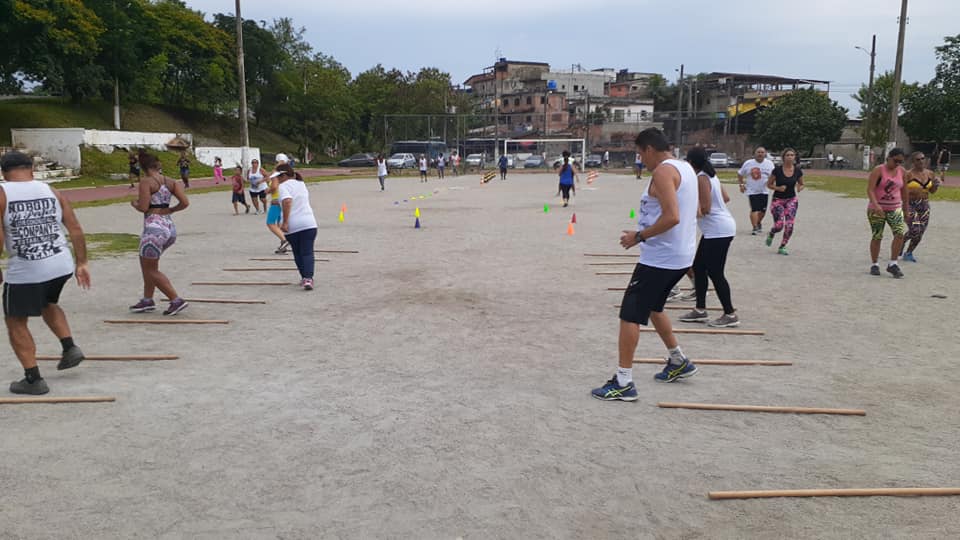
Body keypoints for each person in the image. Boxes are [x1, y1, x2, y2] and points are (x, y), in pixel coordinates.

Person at [591, 128, 699, 401]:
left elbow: (673, 216)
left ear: (650, 149)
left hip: (661, 258)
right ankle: (679, 360)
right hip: (679, 255)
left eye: (640, 153)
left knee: (630, 314)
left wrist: (638, 236)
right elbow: (689, 212)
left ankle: (624, 381)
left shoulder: (663, 171)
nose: (641, 160)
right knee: (653, 307)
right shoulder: (685, 168)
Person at [0, 151, 90, 395]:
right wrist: (81, 263)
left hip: (27, 268)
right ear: (31, 168)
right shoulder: (51, 191)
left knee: (15, 320)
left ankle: (33, 379)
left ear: (4, 172)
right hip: (60, 263)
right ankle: (69, 347)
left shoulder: (3, 193)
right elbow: (75, 228)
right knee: (48, 302)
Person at [679, 147, 739, 327]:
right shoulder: (711, 175)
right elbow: (726, 198)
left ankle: (729, 313)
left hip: (718, 230)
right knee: (698, 267)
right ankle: (700, 309)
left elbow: (705, 208)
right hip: (718, 229)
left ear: (690, 163)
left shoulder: (701, 178)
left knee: (716, 272)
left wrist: (685, 213)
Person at [129, 150, 190, 315]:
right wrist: (171, 209)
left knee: (151, 269)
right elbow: (185, 202)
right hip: (168, 227)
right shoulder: (171, 182)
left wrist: (134, 204)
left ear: (144, 167)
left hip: (153, 229)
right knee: (147, 264)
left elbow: (143, 206)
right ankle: (147, 300)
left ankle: (175, 299)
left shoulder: (146, 182)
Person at [274, 163, 318, 291]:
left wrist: (285, 222)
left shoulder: (283, 187)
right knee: (307, 252)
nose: (276, 179)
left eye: (278, 177)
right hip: (309, 223)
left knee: (298, 253)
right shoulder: (301, 184)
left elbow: (288, 201)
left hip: (293, 224)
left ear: (284, 176)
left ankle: (305, 277)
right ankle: (308, 278)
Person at [867, 148, 909, 278]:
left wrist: (906, 209)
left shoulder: (902, 172)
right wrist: (876, 204)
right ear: (889, 158)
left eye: (900, 162)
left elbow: (904, 191)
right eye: (895, 161)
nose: (897, 164)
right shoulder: (879, 170)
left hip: (894, 207)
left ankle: (893, 263)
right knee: (877, 235)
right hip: (877, 208)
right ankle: (875, 264)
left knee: (899, 233)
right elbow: (870, 190)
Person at [902, 151, 942, 262]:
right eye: (918, 159)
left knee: (920, 231)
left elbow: (932, 191)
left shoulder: (930, 173)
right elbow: (902, 191)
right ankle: (902, 241)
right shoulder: (908, 174)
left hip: (924, 205)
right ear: (913, 161)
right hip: (910, 204)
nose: (921, 161)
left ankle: (909, 252)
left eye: (922, 158)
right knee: (915, 229)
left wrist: (935, 185)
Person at [764, 148, 804, 255]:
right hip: (778, 200)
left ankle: (782, 246)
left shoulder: (797, 171)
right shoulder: (777, 170)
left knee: (790, 225)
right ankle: (772, 233)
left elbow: (801, 183)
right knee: (779, 225)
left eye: (792, 155)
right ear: (783, 157)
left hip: (791, 200)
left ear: (794, 157)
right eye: (788, 155)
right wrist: (778, 188)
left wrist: (800, 187)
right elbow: (769, 184)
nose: (790, 157)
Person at [737, 146, 775, 235]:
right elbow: (740, 174)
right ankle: (754, 227)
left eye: (762, 152)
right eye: (758, 152)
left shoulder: (769, 164)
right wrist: (741, 185)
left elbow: (773, 176)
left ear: (765, 154)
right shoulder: (748, 163)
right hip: (752, 190)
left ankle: (758, 222)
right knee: (754, 209)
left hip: (764, 190)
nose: (760, 154)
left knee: (763, 210)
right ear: (755, 153)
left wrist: (773, 184)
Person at [265, 154, 291, 253]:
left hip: (276, 200)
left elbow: (274, 186)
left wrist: (268, 190)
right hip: (282, 200)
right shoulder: (286, 174)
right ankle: (283, 242)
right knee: (279, 224)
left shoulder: (277, 174)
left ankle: (284, 240)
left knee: (270, 223)